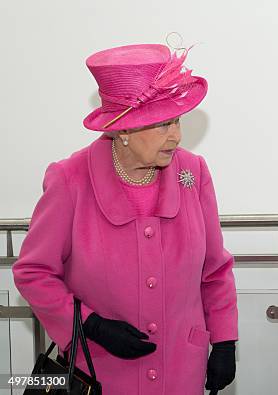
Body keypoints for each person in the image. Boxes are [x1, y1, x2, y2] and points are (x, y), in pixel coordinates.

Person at [12, 42, 238, 394]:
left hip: (181, 369)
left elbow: (215, 270)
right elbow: (33, 272)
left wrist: (225, 342)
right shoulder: (70, 179)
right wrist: (92, 326)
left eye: (176, 121)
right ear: (125, 131)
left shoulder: (194, 172)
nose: (176, 136)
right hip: (101, 373)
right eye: (162, 125)